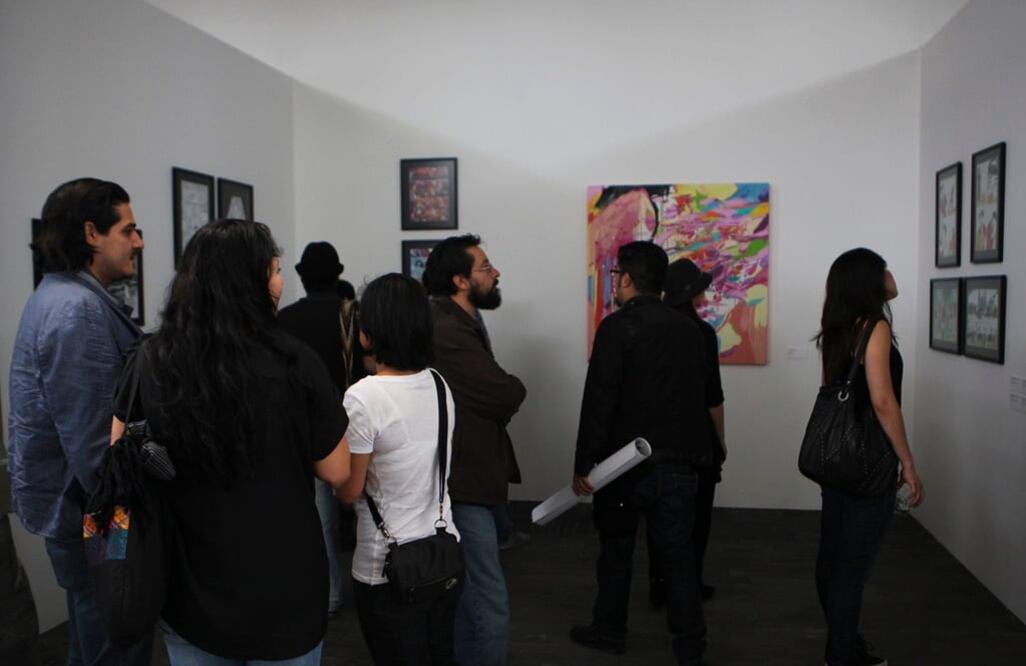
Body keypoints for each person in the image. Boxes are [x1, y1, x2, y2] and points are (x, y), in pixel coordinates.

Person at [111, 220, 351, 664]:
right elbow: (337, 471)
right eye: (275, 270)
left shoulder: (151, 358)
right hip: (284, 586)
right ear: (251, 283)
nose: (281, 282)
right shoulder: (295, 361)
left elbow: (119, 456)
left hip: (189, 585)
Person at [8, 178, 151, 666]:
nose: (138, 242)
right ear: (92, 233)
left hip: (81, 514)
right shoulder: (78, 311)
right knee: (114, 643)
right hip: (98, 521)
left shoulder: (60, 297)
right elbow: (97, 452)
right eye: (128, 230)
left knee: (92, 640)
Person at [570, 241, 713, 666]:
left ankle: (609, 630)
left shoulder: (617, 328)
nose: (614, 283)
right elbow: (698, 399)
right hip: (678, 463)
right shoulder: (690, 330)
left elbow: (599, 401)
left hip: (624, 466)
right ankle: (690, 645)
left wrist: (584, 465)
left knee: (615, 551)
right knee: (680, 558)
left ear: (627, 279)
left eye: (616, 276)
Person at [337, 273, 460, 665]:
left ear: (367, 335)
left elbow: (350, 490)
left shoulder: (363, 396)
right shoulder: (439, 385)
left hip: (388, 568)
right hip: (444, 554)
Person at [813, 248, 925, 666]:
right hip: (869, 461)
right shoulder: (874, 327)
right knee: (852, 569)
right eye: (884, 269)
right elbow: (882, 401)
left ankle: (842, 643)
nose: (891, 275)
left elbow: (829, 393)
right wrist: (908, 463)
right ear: (869, 280)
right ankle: (842, 654)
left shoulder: (837, 328)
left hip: (838, 459)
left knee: (832, 558)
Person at [421, 234, 526, 666]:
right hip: (462, 483)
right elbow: (504, 392)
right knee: (487, 597)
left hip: (469, 476)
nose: (496, 272)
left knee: (471, 595)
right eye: (485, 267)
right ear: (461, 280)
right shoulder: (446, 330)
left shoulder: (461, 322)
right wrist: (510, 386)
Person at [278, 241, 358, 616]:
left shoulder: (284, 320)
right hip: (361, 424)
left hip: (308, 432)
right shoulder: (354, 316)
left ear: (299, 276)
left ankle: (329, 595)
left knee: (321, 517)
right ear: (338, 273)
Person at [650, 258, 727, 605]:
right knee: (696, 518)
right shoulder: (702, 334)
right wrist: (721, 441)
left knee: (658, 517)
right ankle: (688, 583)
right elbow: (713, 395)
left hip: (656, 437)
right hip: (696, 438)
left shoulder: (649, 329)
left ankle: (659, 585)